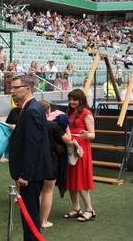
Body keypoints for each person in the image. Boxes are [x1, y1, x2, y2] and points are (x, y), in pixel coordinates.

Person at [8, 75, 51, 241]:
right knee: (28, 211)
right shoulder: (31, 109)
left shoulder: (32, 110)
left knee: (31, 212)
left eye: (15, 87)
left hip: (30, 175)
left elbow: (32, 146)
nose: (12, 90)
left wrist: (25, 175)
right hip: (31, 172)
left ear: (27, 88)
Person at [64, 89, 96, 222]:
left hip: (81, 149)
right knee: (70, 179)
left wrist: (86, 135)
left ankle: (90, 210)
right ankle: (76, 208)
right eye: (70, 99)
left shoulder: (86, 113)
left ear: (81, 100)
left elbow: (93, 135)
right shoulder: (71, 112)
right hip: (71, 147)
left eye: (75, 99)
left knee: (81, 179)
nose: (72, 102)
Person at [39, 101, 71, 228]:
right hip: (50, 160)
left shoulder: (33, 124)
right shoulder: (53, 125)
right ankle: (44, 221)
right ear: (48, 111)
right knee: (48, 191)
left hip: (36, 160)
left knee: (39, 191)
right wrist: (67, 126)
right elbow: (68, 140)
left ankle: (37, 218)